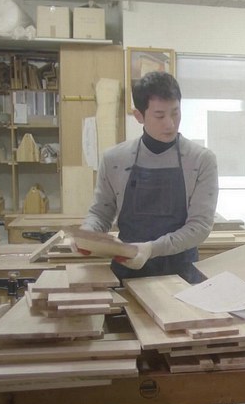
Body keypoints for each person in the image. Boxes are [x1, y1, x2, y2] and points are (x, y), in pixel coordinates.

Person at [81, 71, 218, 284]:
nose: (170, 124)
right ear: (139, 116)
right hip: (127, 274)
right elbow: (100, 213)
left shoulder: (200, 160)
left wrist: (151, 249)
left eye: (175, 113)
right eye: (160, 116)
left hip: (182, 277)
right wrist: (87, 235)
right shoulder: (115, 159)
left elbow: (200, 226)